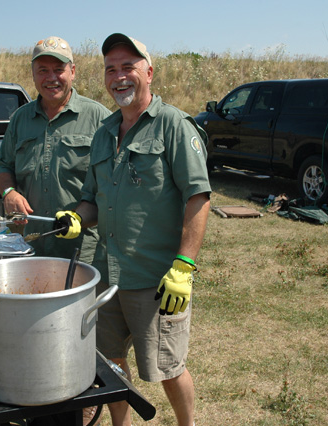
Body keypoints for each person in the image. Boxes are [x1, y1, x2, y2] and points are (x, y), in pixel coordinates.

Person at [54, 33, 212, 426]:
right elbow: (91, 198)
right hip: (107, 275)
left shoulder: (174, 126)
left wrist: (184, 265)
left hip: (155, 278)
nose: (119, 77)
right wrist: (78, 218)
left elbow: (198, 197)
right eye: (111, 70)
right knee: (110, 363)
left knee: (168, 367)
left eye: (128, 67)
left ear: (149, 73)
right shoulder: (104, 133)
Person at [0, 36, 111, 264]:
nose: (51, 78)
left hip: (84, 251)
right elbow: (3, 165)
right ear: (33, 74)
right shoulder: (20, 119)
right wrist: (9, 192)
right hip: (32, 245)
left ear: (72, 72)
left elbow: (115, 184)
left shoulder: (99, 118)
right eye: (43, 70)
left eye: (59, 70)